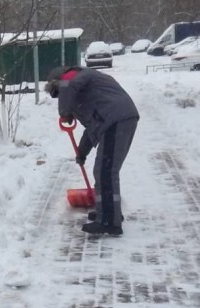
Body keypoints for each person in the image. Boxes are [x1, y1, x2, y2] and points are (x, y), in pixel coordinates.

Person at [45, 66, 139, 236]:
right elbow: (91, 128)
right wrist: (82, 152)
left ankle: (109, 221)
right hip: (119, 118)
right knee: (105, 171)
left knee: (106, 171)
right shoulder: (87, 90)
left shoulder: (74, 78)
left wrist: (64, 112)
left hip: (116, 119)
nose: (63, 98)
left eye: (59, 93)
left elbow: (68, 86)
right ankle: (108, 212)